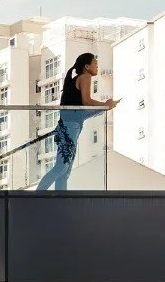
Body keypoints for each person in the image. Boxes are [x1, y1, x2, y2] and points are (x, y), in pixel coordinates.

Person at [34, 52, 117, 191]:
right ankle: (36, 196)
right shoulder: (85, 77)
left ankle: (61, 202)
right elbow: (86, 101)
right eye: (95, 64)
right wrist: (104, 105)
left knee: (64, 171)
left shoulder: (76, 79)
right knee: (62, 168)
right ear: (86, 66)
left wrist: (105, 106)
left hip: (70, 125)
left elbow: (81, 110)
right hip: (70, 126)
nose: (97, 67)